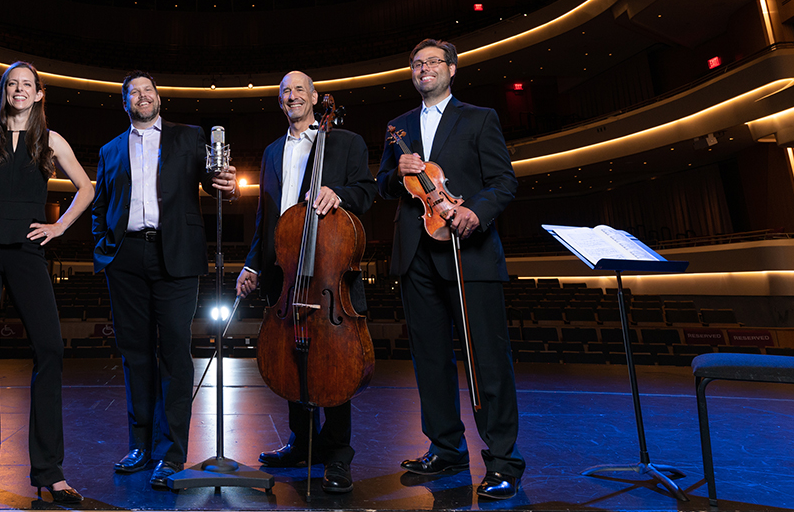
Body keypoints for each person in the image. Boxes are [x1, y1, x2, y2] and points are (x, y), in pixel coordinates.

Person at [376, 39, 524, 500]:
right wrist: (394, 171)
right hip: (417, 253)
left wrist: (476, 212)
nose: (423, 69)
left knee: (486, 360)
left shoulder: (480, 118)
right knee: (430, 359)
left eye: (432, 62)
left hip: (469, 251)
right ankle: (446, 448)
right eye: (416, 63)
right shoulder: (398, 128)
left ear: (452, 70)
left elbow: (504, 181)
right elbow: (382, 186)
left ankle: (502, 461)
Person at [0, 62, 93, 507]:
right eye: (14, 84)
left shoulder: (50, 140)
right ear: (5, 91)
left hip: (26, 250)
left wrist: (59, 227)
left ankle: (50, 472)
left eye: (28, 85)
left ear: (39, 94)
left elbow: (86, 188)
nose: (20, 90)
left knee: (50, 348)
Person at [91, 70, 237, 489]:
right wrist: (106, 249)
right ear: (125, 103)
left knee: (174, 352)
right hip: (126, 257)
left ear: (159, 98)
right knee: (135, 354)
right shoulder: (109, 149)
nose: (142, 96)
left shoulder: (190, 137)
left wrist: (227, 185)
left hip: (176, 254)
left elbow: (217, 186)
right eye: (133, 92)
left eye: (148, 90)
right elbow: (101, 205)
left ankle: (171, 452)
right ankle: (139, 445)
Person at [236, 71, 376, 494]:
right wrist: (252, 265)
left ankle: (338, 454)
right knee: (291, 356)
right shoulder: (273, 151)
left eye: (300, 89)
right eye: (285, 92)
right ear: (280, 102)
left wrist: (339, 194)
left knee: (334, 361)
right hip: (288, 273)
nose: (292, 96)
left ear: (315, 98)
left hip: (330, 269)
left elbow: (367, 192)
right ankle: (301, 440)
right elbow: (266, 220)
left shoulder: (345, 141)